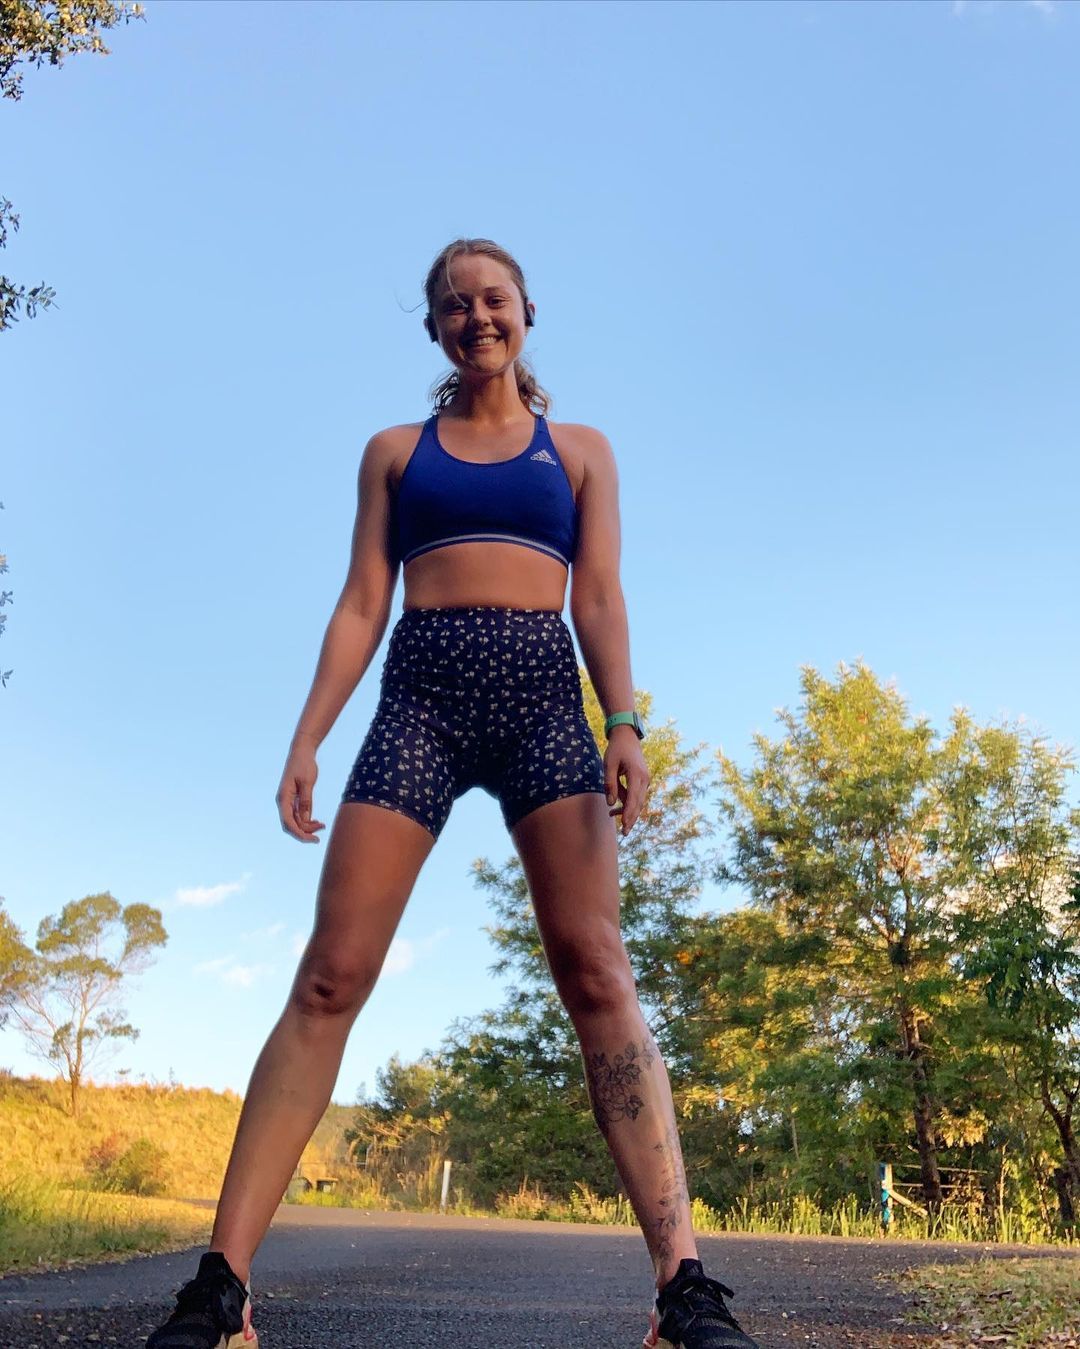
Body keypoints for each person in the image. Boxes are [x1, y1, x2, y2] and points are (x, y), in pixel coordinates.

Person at [145, 238, 761, 1349]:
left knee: (597, 969)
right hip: (419, 703)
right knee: (329, 975)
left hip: (542, 704)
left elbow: (601, 596)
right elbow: (359, 603)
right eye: (454, 305)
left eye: (494, 299)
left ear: (527, 311)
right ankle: (220, 1288)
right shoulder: (395, 452)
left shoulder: (580, 451)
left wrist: (623, 722)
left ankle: (684, 1288)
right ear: (433, 328)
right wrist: (307, 738)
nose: (477, 316)